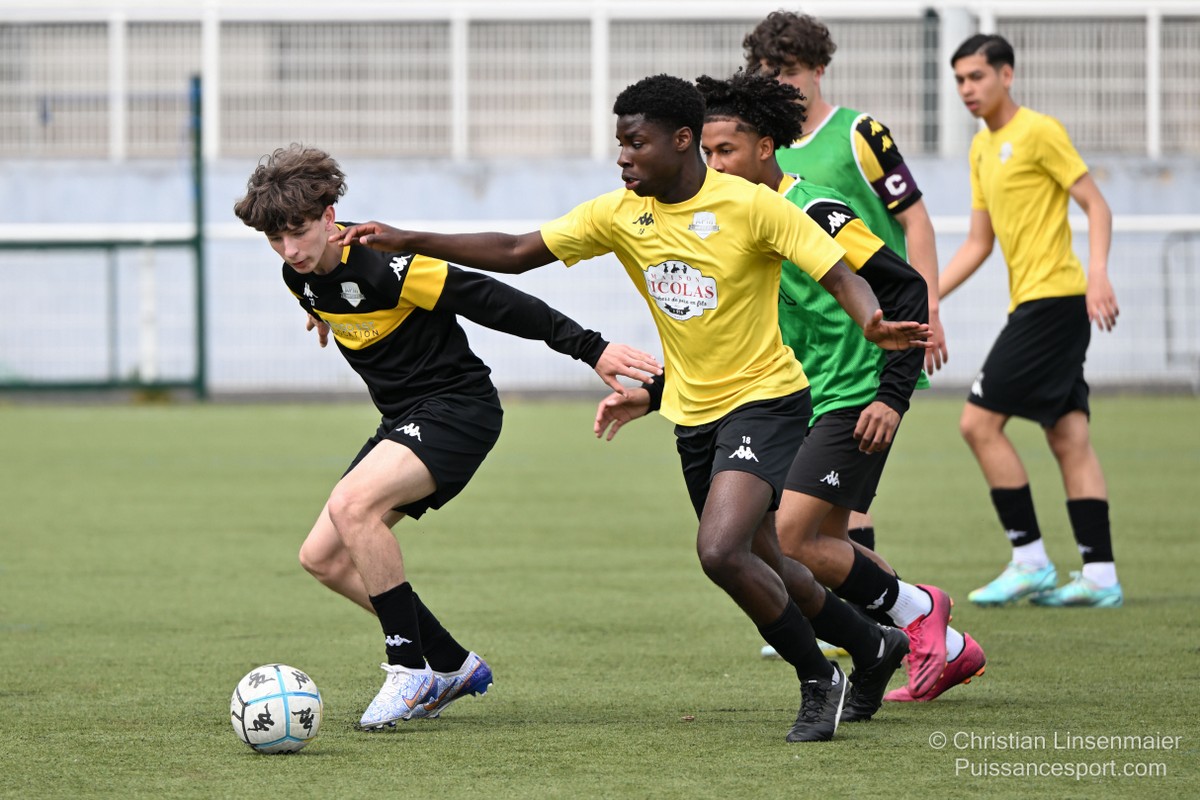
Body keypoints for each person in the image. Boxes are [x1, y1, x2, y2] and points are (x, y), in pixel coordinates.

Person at [332, 75, 932, 742]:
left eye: (636, 143)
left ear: (682, 140)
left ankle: (819, 679)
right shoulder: (621, 214)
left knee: (720, 551)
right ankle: (874, 644)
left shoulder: (752, 205)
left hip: (767, 401)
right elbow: (516, 252)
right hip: (694, 415)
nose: (623, 157)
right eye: (620, 143)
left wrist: (871, 320)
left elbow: (840, 274)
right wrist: (409, 238)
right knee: (767, 559)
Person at [233, 144, 664, 730]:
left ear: (330, 216)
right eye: (276, 239)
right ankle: (452, 664)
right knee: (322, 558)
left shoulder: (386, 264)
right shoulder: (299, 275)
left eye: (299, 232)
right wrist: (323, 310)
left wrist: (591, 348)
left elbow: (494, 301)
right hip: (403, 418)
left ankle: (408, 669)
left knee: (353, 506)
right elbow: (328, 293)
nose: (290, 250)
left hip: (458, 410)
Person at [597, 71, 984, 710]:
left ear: (765, 148)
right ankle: (928, 641)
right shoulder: (732, 217)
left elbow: (903, 285)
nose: (714, 163)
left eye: (726, 151)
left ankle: (917, 614)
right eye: (708, 152)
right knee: (806, 543)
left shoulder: (812, 209)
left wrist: (891, 395)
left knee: (793, 539)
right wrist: (659, 389)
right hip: (797, 394)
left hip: (853, 390)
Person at [743, 9, 948, 554]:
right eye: (767, 73)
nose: (779, 83)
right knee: (824, 509)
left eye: (789, 71)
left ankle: (886, 603)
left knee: (823, 509)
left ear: (819, 70)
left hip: (861, 338)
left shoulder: (860, 134)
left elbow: (916, 220)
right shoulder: (757, 147)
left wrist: (930, 309)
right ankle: (865, 603)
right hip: (801, 344)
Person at [940, 35, 1122, 608]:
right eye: (960, 80)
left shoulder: (1040, 131)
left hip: (1056, 302)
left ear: (1007, 75)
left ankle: (1030, 560)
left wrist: (1098, 274)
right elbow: (979, 242)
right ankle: (1101, 576)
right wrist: (928, 298)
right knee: (1068, 436)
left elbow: (1096, 205)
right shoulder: (979, 148)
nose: (967, 89)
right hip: (1034, 304)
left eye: (977, 76)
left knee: (977, 424)